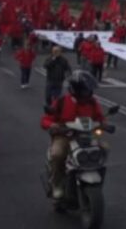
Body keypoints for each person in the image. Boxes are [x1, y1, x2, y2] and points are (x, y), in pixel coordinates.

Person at [41, 71, 106, 199]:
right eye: (85, 90)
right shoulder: (62, 101)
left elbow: (100, 117)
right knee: (57, 154)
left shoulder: (92, 102)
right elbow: (46, 119)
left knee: (105, 148)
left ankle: (97, 177)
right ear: (76, 89)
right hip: (64, 136)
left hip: (86, 136)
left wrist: (103, 124)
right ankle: (57, 184)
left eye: (89, 90)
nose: (88, 93)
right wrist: (52, 125)